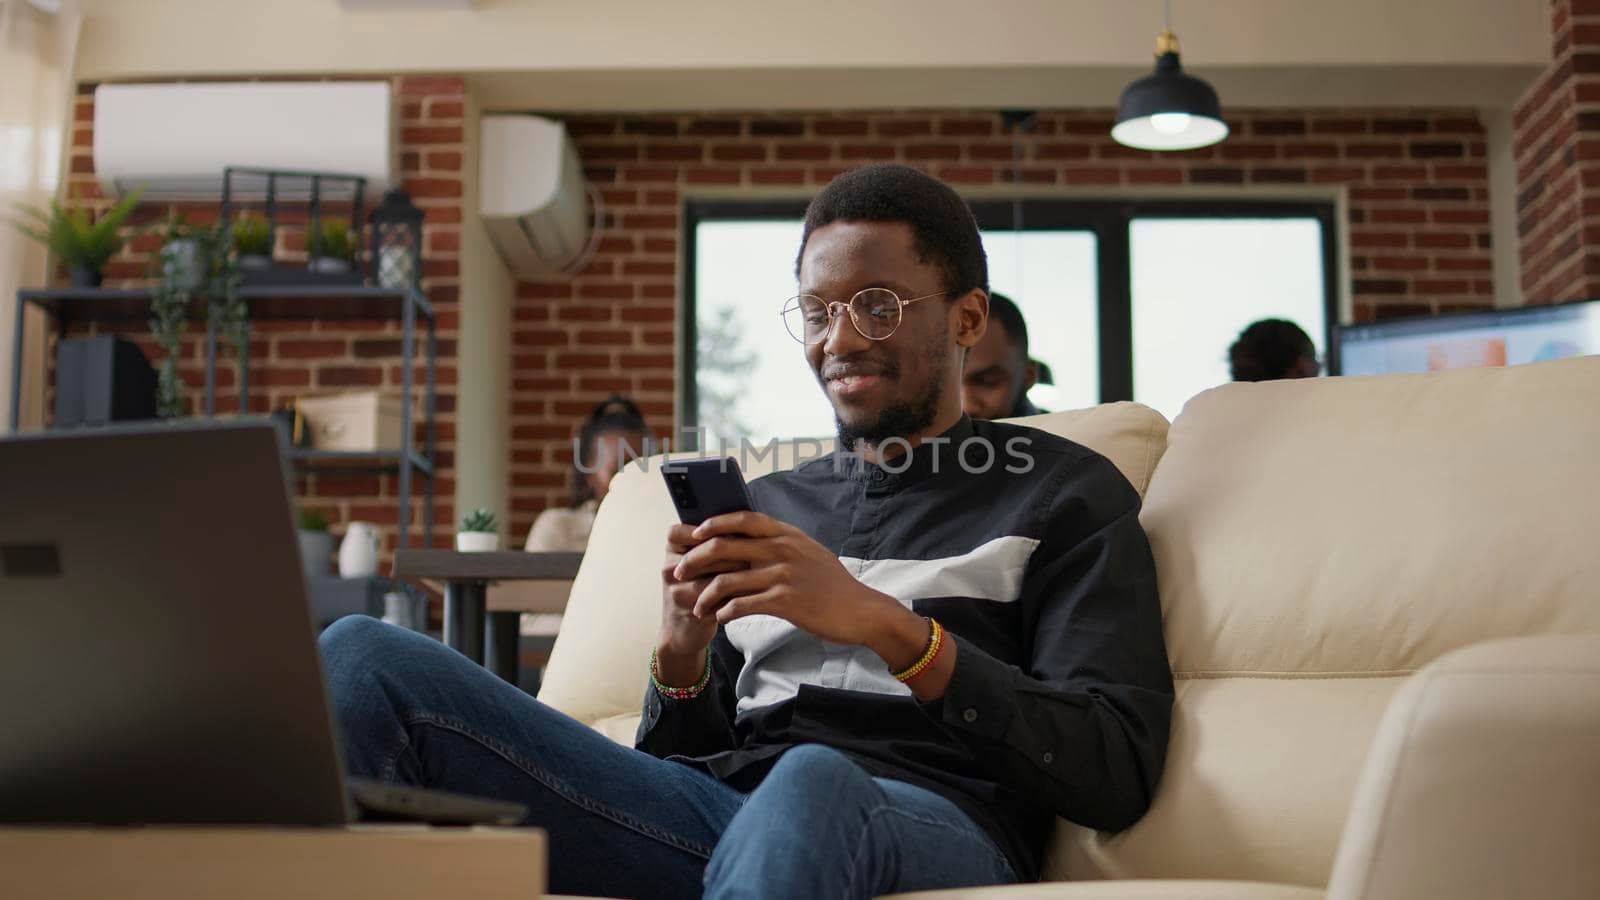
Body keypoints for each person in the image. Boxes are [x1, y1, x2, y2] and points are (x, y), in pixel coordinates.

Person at [319, 163, 1173, 900]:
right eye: (816, 309)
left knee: (810, 782)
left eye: (875, 306)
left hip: (938, 820)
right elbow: (687, 761)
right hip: (724, 813)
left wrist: (890, 630)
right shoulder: (768, 507)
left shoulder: (1063, 494)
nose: (839, 341)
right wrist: (682, 658)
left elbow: (1114, 767)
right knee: (363, 655)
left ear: (966, 318)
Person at [524, 394, 649, 553]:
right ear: (588, 471)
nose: (633, 481)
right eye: (618, 471)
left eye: (644, 470)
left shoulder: (664, 530)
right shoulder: (558, 529)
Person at [961, 291, 1045, 419]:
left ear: (1028, 376)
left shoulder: (1071, 436)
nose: (966, 406)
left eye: (987, 382)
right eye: (943, 386)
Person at [1229, 318, 1321, 382]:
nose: (1319, 365)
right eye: (1313, 357)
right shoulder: (1320, 407)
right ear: (1300, 365)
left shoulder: (1223, 406)